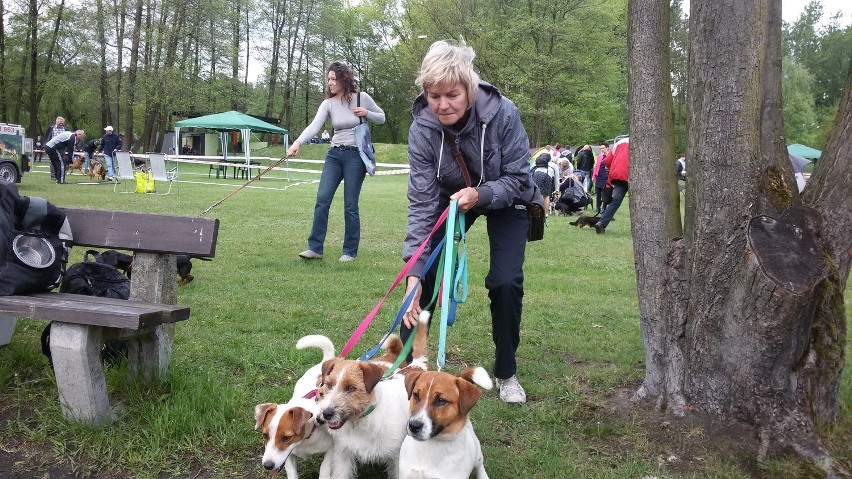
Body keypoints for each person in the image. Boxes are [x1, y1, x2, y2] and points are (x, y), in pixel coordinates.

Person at [401, 40, 535, 404]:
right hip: (454, 198)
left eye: (451, 95)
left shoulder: (504, 114)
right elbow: (422, 203)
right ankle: (407, 373)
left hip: (507, 198)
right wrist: (413, 270)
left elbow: (519, 177)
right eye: (433, 96)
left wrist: (482, 195)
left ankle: (506, 372)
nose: (442, 105)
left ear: (469, 89)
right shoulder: (423, 129)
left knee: (505, 282)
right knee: (423, 274)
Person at [287, 61, 385, 262]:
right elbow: (314, 126)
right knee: (322, 200)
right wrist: (297, 143)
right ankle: (315, 248)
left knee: (350, 205)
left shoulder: (362, 98)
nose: (330, 83)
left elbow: (382, 118)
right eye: (328, 79)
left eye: (334, 79)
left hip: (356, 156)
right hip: (334, 155)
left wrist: (367, 113)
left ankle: (350, 252)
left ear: (344, 79)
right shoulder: (328, 103)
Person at [594, 137, 629, 234]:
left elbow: (607, 161)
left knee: (615, 202)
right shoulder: (642, 141)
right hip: (632, 174)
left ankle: (601, 223)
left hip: (617, 175)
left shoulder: (619, 142)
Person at [592, 141, 610, 213]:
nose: (601, 149)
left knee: (605, 193)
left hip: (606, 176)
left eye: (603, 148)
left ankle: (604, 208)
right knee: (598, 192)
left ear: (607, 148)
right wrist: (594, 175)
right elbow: (596, 166)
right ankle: (597, 207)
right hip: (599, 176)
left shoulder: (610, 156)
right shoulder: (599, 156)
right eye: (601, 148)